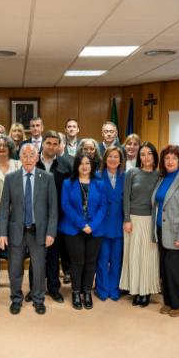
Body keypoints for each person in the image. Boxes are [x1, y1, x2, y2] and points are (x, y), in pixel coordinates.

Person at [0, 143, 58, 315]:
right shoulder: (11, 178)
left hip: (38, 231)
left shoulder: (47, 178)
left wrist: (50, 232)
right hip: (16, 231)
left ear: (37, 157)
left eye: (32, 155)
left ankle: (39, 299)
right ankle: (16, 299)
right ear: (20, 158)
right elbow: (3, 209)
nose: (29, 159)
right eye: (25, 155)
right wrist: (2, 233)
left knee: (39, 268)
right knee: (15, 268)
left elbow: (53, 209)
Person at [60, 153, 106, 310]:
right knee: (77, 262)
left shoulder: (100, 184)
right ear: (76, 166)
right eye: (81, 163)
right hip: (73, 228)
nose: (85, 166)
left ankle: (87, 292)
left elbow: (103, 206)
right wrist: (82, 224)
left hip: (95, 229)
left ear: (92, 165)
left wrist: (92, 225)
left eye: (88, 163)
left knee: (91, 262)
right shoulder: (68, 183)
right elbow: (66, 205)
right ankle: (75, 291)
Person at [152, 145, 179, 317]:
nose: (170, 161)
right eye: (167, 158)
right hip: (162, 230)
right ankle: (169, 302)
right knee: (164, 269)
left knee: (172, 269)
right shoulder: (162, 178)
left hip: (177, 232)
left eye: (173, 158)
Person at [120, 142, 160, 308]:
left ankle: (146, 291)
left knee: (148, 257)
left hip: (150, 221)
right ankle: (135, 290)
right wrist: (127, 219)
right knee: (133, 256)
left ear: (154, 156)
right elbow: (126, 198)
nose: (146, 157)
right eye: (142, 154)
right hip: (133, 221)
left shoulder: (159, 175)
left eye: (149, 154)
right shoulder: (132, 172)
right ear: (139, 157)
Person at [35, 130, 72, 302]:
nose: (51, 146)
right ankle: (35, 288)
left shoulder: (65, 165)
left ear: (59, 146)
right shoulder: (32, 162)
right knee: (37, 254)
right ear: (42, 143)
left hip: (57, 217)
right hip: (36, 217)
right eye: (48, 143)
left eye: (55, 144)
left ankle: (54, 288)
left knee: (53, 255)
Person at [0, 134, 21, 292]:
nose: (1, 148)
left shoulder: (18, 165)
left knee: (14, 248)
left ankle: (12, 279)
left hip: (14, 213)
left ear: (10, 148)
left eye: (4, 145)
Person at [95, 146, 125, 302]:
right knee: (102, 259)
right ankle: (102, 288)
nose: (113, 159)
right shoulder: (97, 176)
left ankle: (114, 289)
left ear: (120, 161)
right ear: (105, 159)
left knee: (116, 259)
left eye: (116, 157)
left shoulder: (125, 177)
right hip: (102, 224)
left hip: (119, 224)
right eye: (110, 157)